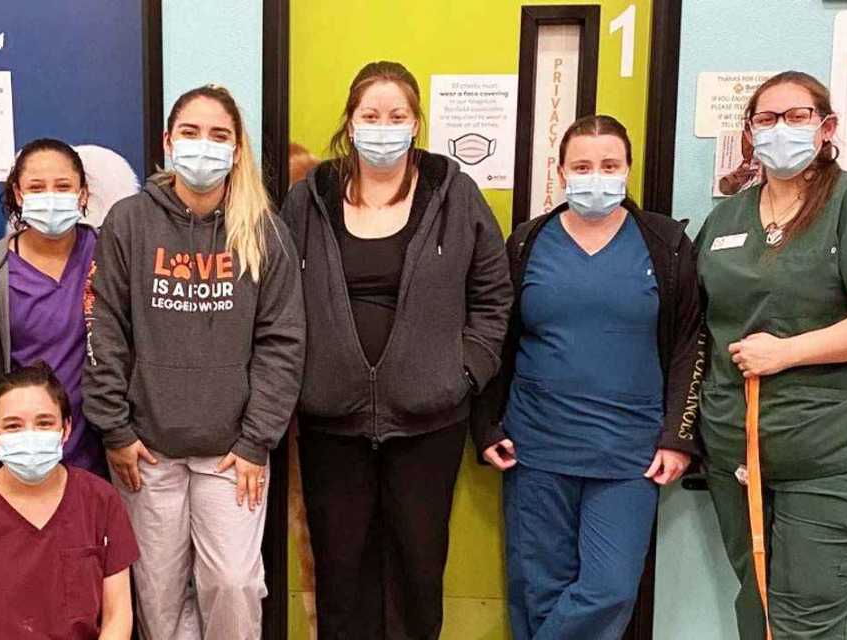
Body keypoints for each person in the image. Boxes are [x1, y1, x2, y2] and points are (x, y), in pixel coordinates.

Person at [278, 61, 511, 640]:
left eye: (396, 115)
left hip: (429, 422)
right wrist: (302, 379)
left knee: (417, 572)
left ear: (415, 123)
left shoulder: (454, 194)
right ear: (350, 122)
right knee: (340, 574)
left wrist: (464, 371)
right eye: (371, 115)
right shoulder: (308, 199)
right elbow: (277, 296)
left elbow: (493, 293)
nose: (383, 127)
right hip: (331, 422)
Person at [697, 71, 847, 639]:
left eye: (797, 116)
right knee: (758, 610)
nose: (781, 128)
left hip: (844, 451)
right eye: (767, 118)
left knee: (803, 623)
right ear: (749, 133)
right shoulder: (727, 219)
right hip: (742, 453)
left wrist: (788, 353)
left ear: (826, 128)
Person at [85, 84, 305, 640]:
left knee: (233, 585)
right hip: (146, 450)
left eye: (218, 135)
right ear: (168, 142)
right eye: (190, 132)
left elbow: (282, 343)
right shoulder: (129, 222)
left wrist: (256, 439)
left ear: (236, 149)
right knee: (157, 598)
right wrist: (115, 429)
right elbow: (104, 328)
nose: (203, 145)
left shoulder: (264, 230)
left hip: (232, 454)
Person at [475, 115, 702, 640]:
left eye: (609, 165)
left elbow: (690, 343)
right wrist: (486, 425)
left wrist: (679, 435)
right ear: (560, 173)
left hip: (630, 453)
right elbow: (496, 339)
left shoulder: (664, 244)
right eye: (581, 166)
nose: (595, 176)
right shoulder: (528, 242)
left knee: (610, 588)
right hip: (536, 447)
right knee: (538, 593)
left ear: (628, 170)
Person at [0, 363, 138, 639]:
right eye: (13, 426)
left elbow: (118, 616)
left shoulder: (101, 501)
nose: (30, 436)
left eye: (44, 423)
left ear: (66, 428)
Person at [0, 138, 104, 483]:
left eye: (63, 187)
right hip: (20, 455)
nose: (50, 197)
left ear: (83, 194)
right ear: (18, 195)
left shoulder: (107, 253)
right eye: (36, 187)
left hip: (98, 456)